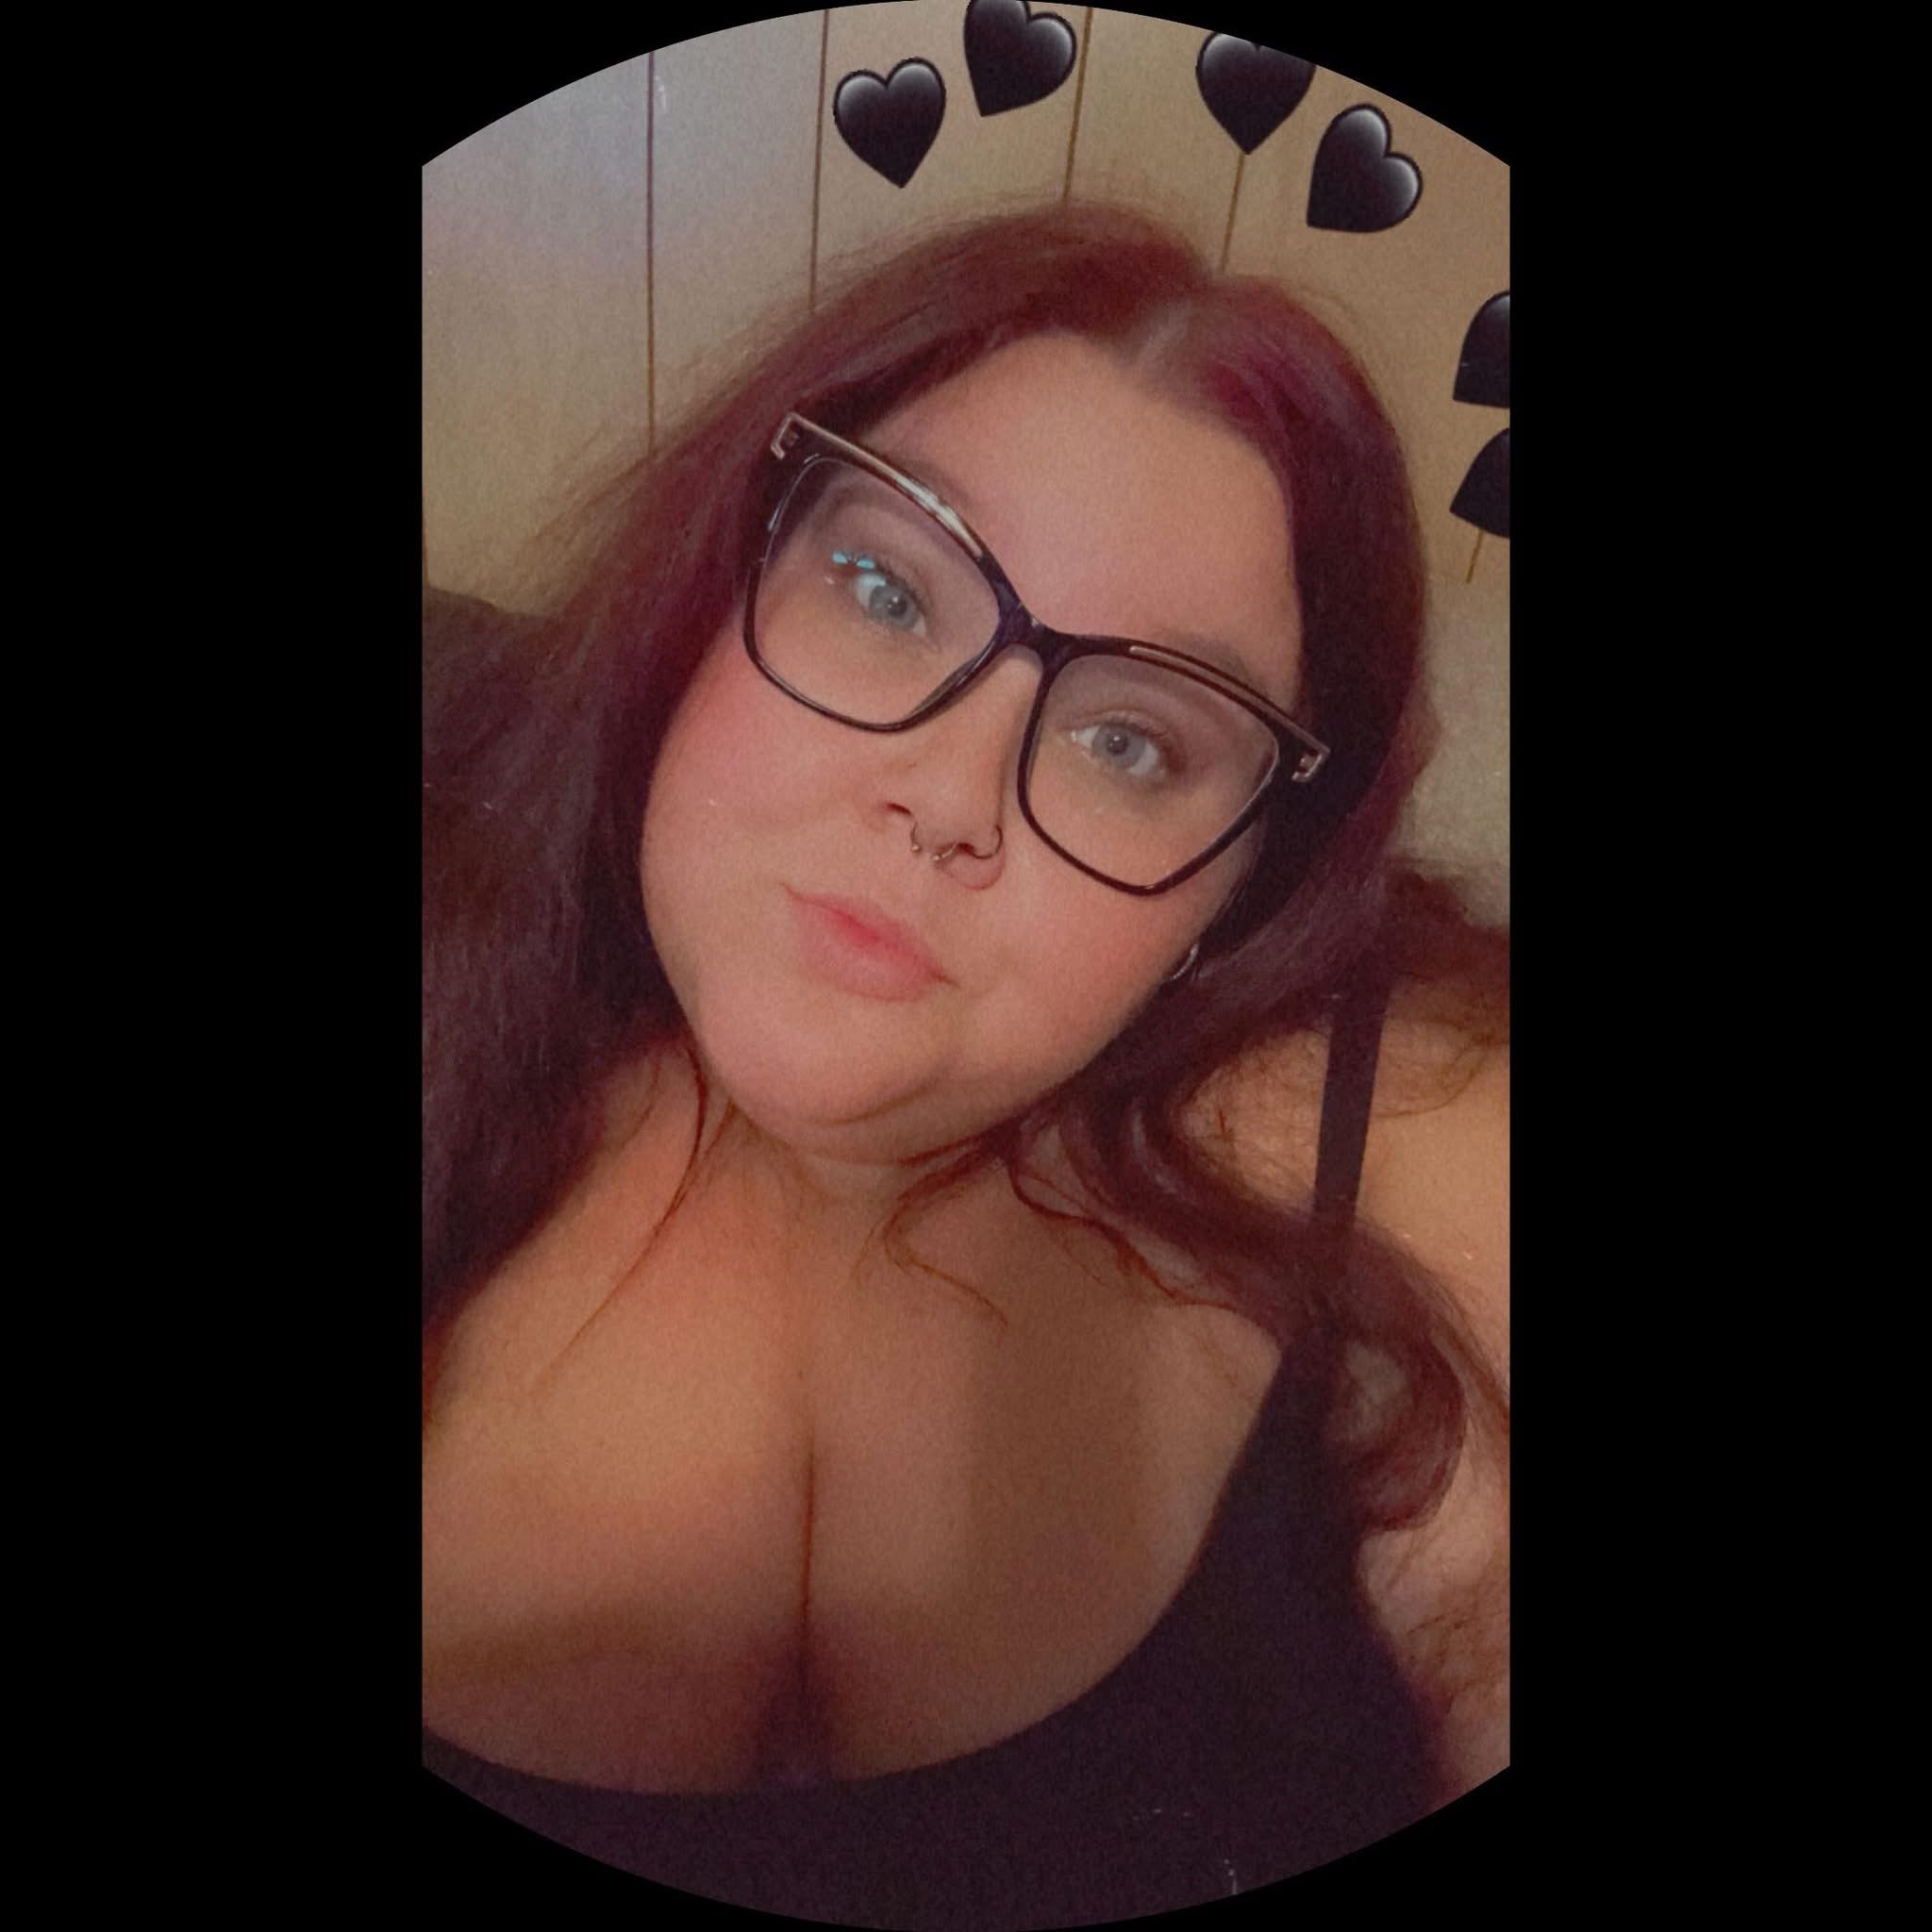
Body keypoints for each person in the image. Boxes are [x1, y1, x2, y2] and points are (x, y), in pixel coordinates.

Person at [422, 202, 1508, 1926]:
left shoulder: (1396, 1118)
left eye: (1131, 742)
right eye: (885, 590)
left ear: (1236, 898)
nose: (948, 797)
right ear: (714, 584)